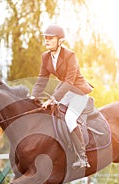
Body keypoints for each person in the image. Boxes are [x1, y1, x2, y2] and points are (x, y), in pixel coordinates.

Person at [31, 24, 93, 169]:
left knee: (69, 119)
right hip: (65, 91)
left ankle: (83, 158)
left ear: (60, 41)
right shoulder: (45, 57)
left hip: (78, 92)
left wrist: (53, 99)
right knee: (53, 115)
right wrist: (33, 96)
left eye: (51, 38)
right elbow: (42, 79)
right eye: (46, 38)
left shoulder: (70, 55)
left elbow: (69, 81)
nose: (47, 40)